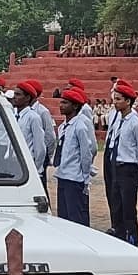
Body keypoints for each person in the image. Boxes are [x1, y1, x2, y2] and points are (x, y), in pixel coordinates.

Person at [104, 82, 138, 245]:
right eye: (114, 99)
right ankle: (119, 236)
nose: (115, 102)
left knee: (128, 208)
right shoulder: (117, 120)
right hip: (116, 166)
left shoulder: (135, 123)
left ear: (128, 101)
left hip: (128, 168)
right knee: (116, 206)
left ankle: (132, 240)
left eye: (119, 99)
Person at [54, 87, 96, 226]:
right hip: (63, 174)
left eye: (65, 103)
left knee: (76, 217)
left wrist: (85, 178)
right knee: (64, 216)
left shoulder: (80, 126)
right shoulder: (63, 126)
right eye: (61, 102)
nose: (61, 106)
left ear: (75, 106)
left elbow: (86, 154)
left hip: (75, 177)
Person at [11, 81, 47, 186]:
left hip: (26, 163)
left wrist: (36, 168)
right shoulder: (13, 115)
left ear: (27, 98)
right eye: (14, 94)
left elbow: (40, 146)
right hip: (12, 161)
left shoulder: (33, 117)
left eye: (18, 94)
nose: (14, 97)